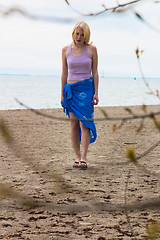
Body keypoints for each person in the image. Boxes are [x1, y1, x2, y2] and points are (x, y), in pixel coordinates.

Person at [61, 21, 99, 169]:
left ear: (86, 36)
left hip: (86, 90)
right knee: (73, 124)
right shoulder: (65, 50)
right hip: (71, 90)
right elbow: (64, 73)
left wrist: (96, 92)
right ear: (73, 33)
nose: (79, 37)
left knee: (85, 123)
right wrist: (62, 94)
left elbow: (95, 72)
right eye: (77, 34)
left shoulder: (92, 50)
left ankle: (84, 158)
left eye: (82, 35)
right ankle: (77, 157)